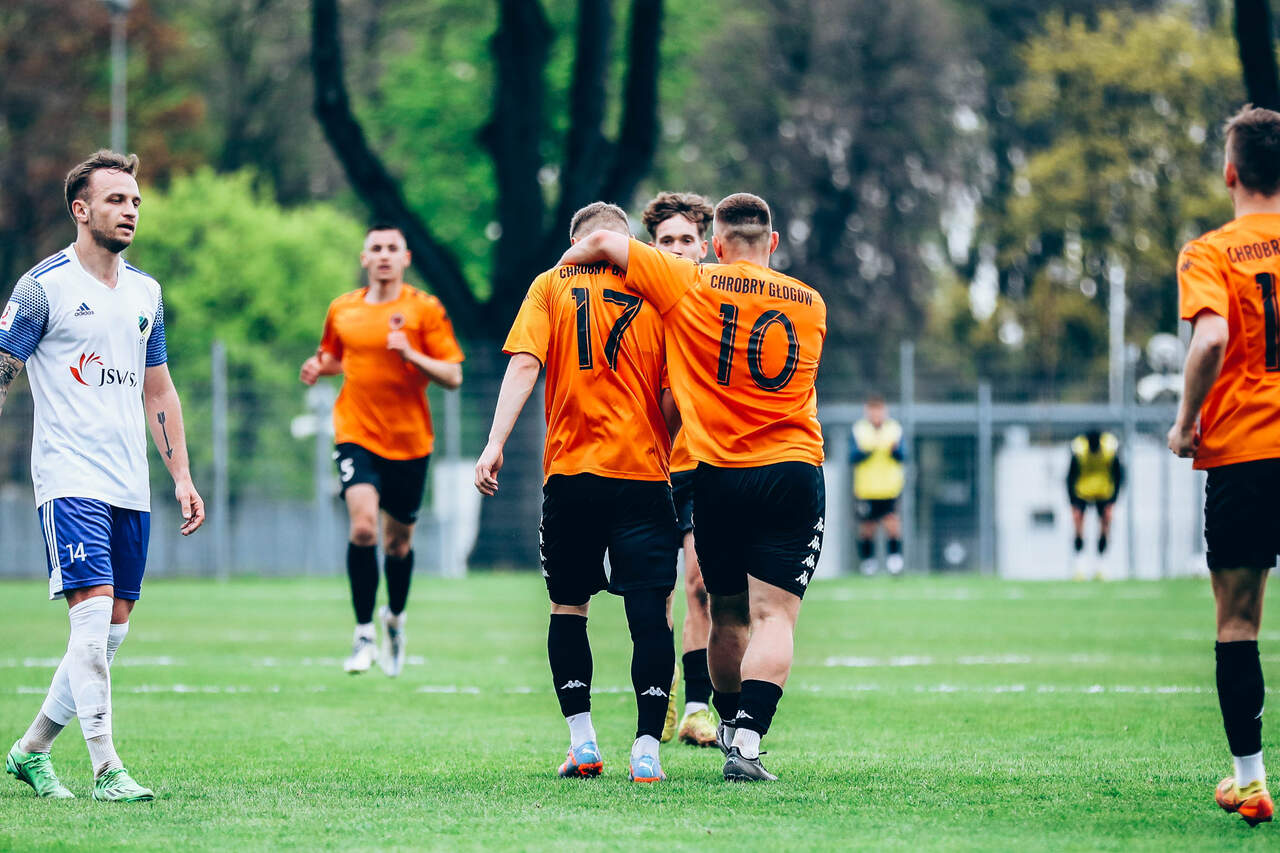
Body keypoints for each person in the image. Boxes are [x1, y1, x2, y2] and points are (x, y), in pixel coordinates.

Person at [559, 192, 826, 783]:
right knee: (774, 616)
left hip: (718, 475)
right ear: (772, 242)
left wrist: (556, 286)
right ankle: (747, 741)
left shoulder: (694, 285)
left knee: (723, 612)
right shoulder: (812, 302)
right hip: (791, 467)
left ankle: (724, 722)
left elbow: (600, 240)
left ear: (716, 246)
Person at [2, 150, 205, 802]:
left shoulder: (147, 293)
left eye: (135, 201)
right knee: (89, 620)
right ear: (81, 209)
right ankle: (106, 768)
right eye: (116, 199)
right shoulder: (43, 287)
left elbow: (158, 390)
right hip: (68, 476)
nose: (130, 211)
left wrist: (181, 476)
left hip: (129, 482)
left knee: (113, 626)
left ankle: (32, 749)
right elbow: (3, 367)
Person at [474, 202, 678, 784]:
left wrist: (494, 443)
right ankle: (647, 750)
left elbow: (524, 365)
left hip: (572, 476)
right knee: (649, 614)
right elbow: (674, 396)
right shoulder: (657, 289)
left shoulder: (550, 285)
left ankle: (583, 743)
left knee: (568, 607)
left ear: (575, 242)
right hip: (642, 475)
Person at [1168, 105, 1280, 827]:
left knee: (1238, 621)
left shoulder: (1210, 252)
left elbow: (1210, 339)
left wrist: (1185, 423)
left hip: (1245, 453)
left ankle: (1251, 781)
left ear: (1230, 172)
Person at [300, 224, 464, 676]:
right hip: (356, 432)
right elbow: (337, 357)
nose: (385, 255)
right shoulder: (343, 310)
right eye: (377, 248)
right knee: (363, 528)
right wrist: (318, 367)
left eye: (393, 248)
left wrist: (412, 354)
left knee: (398, 543)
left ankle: (395, 619)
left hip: (410, 442)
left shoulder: (425, 309)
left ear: (405, 258)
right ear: (365, 258)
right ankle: (363, 634)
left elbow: (453, 376)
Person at [641, 191, 719, 748]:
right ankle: (659, 689)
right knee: (655, 593)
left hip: (701, 462)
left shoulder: (719, 301)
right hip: (649, 463)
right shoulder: (637, 302)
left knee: (702, 586)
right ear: (651, 247)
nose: (675, 248)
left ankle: (696, 709)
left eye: (685, 239)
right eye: (665, 240)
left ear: (704, 247)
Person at [851, 395, 905, 575]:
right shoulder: (859, 430)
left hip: (890, 488)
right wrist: (867, 451)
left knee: (892, 525)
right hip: (866, 489)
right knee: (867, 528)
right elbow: (852, 456)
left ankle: (894, 560)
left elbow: (903, 455)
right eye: (872, 411)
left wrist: (894, 450)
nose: (876, 415)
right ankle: (868, 563)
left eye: (879, 411)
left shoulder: (894, 429)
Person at [1066, 427, 1123, 579]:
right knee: (1078, 523)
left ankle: (1101, 564)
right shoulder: (1079, 449)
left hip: (1104, 492)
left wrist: (1114, 499)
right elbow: (1070, 475)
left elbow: (1118, 474)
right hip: (1082, 491)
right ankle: (1080, 564)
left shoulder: (1110, 448)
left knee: (1105, 524)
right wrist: (1072, 500)